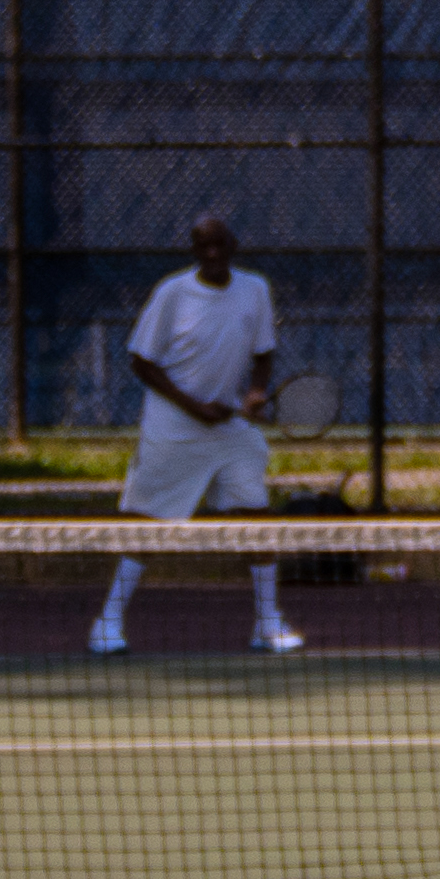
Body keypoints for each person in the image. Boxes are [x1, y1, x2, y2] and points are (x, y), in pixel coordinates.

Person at [91, 213, 302, 657]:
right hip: (173, 429)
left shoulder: (255, 290)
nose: (213, 254)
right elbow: (141, 361)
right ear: (194, 251)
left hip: (229, 430)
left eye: (220, 245)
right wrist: (194, 407)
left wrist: (257, 393)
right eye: (204, 247)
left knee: (256, 516)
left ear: (233, 246)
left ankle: (267, 623)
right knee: (147, 524)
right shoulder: (172, 293)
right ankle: (107, 623)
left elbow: (264, 354)